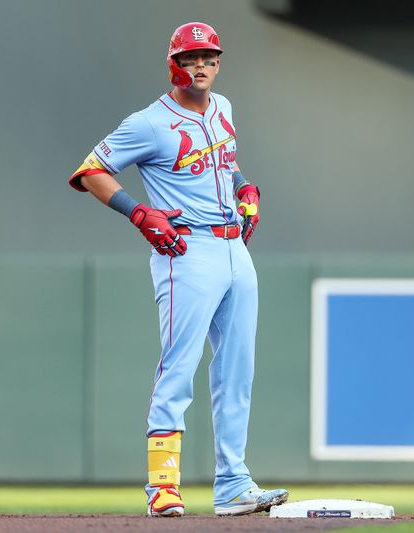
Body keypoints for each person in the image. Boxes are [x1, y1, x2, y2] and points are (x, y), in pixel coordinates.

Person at [68, 22, 288, 517]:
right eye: (190, 58)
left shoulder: (224, 108)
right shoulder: (149, 122)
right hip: (185, 252)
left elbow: (221, 162)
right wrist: (137, 211)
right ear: (174, 65)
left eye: (208, 57)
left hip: (235, 249)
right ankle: (162, 485)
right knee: (179, 365)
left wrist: (244, 185)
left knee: (238, 370)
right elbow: (90, 171)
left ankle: (233, 485)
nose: (201, 65)